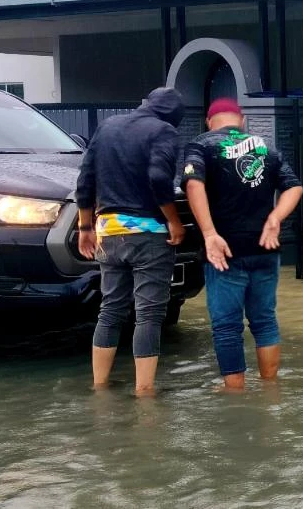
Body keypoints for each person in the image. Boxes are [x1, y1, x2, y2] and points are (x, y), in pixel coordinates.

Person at [181, 98, 303, 391]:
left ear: (210, 121)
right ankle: (270, 387)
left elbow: (192, 183)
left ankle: (234, 391)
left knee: (227, 326)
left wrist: (209, 233)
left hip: (225, 252)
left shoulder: (201, 144)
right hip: (265, 247)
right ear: (242, 120)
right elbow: (295, 186)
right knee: (264, 321)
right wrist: (275, 217)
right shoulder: (266, 146)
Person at [76, 87, 186, 396]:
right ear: (173, 117)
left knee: (110, 309)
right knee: (149, 313)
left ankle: (99, 386)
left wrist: (85, 227)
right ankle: (145, 392)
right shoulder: (163, 131)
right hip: (149, 234)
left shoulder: (108, 126)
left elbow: (85, 179)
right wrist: (173, 221)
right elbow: (159, 178)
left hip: (108, 232)